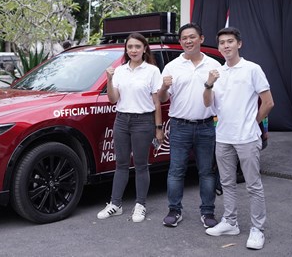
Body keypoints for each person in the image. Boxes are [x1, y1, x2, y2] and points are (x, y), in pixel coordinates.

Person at [203, 27, 274, 250]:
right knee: (226, 183)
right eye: (222, 42)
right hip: (223, 137)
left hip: (247, 138)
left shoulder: (252, 69)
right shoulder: (217, 72)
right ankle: (230, 222)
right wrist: (208, 83)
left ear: (239, 44)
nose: (226, 46)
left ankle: (257, 229)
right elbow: (207, 103)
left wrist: (253, 123)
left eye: (230, 41)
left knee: (253, 185)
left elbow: (268, 102)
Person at [158, 23, 221, 228]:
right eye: (184, 38)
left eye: (192, 37)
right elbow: (162, 97)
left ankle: (208, 212)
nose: (188, 41)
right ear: (180, 41)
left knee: (206, 171)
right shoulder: (172, 67)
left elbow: (220, 99)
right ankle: (174, 211)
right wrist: (164, 86)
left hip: (206, 126)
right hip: (179, 126)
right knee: (176, 170)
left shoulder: (214, 66)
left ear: (201, 39)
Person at [96, 32, 163, 222]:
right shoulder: (119, 71)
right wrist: (109, 79)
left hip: (143, 121)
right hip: (122, 120)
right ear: (126, 49)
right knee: (121, 164)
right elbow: (113, 99)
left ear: (144, 49)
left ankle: (140, 205)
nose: (133, 50)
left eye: (137, 47)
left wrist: (158, 128)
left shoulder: (152, 71)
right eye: (130, 47)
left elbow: (157, 103)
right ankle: (115, 204)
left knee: (141, 165)